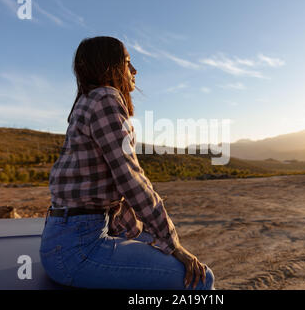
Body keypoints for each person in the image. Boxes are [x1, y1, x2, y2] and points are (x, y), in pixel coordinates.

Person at [40, 36, 215, 290]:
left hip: (65, 239)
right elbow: (130, 179)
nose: (134, 71)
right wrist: (172, 243)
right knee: (200, 280)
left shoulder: (87, 100)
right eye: (128, 63)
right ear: (110, 66)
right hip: (79, 248)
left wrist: (148, 236)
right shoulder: (106, 99)